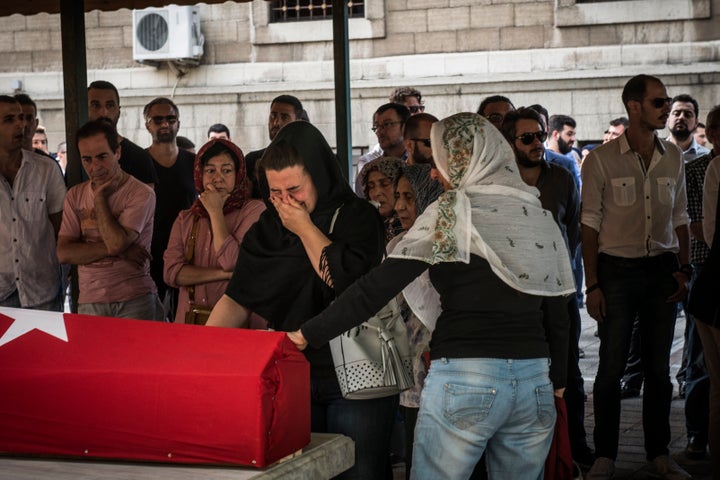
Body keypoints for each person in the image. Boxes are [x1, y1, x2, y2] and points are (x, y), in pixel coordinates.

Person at [288, 112, 575, 480]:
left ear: (463, 160)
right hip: (534, 381)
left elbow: (376, 287)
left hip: (466, 377)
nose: (435, 174)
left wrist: (306, 334)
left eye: (441, 162)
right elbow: (557, 308)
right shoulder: (535, 211)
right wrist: (559, 383)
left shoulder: (453, 212)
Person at [206, 121, 393, 480]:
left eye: (294, 189)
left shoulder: (358, 217)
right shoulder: (268, 225)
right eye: (274, 192)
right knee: (301, 472)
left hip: (357, 371)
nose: (286, 201)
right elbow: (238, 298)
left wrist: (304, 227)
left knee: (360, 471)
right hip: (294, 371)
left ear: (319, 176)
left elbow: (345, 286)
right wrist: (201, 351)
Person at [581, 74, 692, 480]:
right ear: (634, 106)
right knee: (610, 369)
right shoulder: (600, 160)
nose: (666, 108)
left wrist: (683, 267)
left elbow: (681, 217)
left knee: (659, 371)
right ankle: (605, 455)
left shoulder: (673, 157)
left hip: (662, 270)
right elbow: (588, 226)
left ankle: (658, 453)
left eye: (665, 101)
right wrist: (592, 284)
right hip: (617, 272)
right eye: (659, 102)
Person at [501, 107, 592, 471]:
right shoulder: (498, 182)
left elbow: (571, 230)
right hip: (513, 295)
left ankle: (575, 448)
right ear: (510, 143)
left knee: (568, 372)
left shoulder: (562, 177)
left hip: (558, 290)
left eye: (540, 135)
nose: (537, 143)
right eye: (527, 138)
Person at [56, 119, 161, 320]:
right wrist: (123, 252)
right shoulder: (75, 195)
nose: (95, 167)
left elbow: (116, 243)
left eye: (102, 156)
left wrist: (100, 199)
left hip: (135, 297)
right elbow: (64, 253)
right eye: (87, 159)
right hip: (90, 299)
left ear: (118, 153)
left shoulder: (141, 193)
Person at [163, 138, 264, 324]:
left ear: (239, 174)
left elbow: (232, 263)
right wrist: (223, 276)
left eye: (226, 170)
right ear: (199, 175)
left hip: (239, 326)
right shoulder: (186, 218)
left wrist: (215, 212)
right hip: (189, 323)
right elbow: (171, 273)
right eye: (210, 171)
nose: (218, 178)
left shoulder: (254, 211)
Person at [389, 163, 443, 479]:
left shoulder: (450, 244)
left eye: (408, 197)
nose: (398, 206)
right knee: (416, 457)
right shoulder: (398, 245)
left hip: (446, 370)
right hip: (411, 379)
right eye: (398, 196)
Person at [0, 95, 66, 311]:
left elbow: (62, 230)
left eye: (21, 117)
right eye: (9, 119)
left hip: (43, 293)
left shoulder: (46, 169)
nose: (21, 124)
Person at [144, 97, 197, 320]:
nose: (165, 124)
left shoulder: (194, 162)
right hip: (148, 253)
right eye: (158, 119)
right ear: (148, 124)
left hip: (187, 252)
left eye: (170, 118)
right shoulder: (139, 161)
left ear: (178, 123)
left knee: (182, 318)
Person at [87, 80, 158, 186]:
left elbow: (147, 200)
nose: (104, 113)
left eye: (110, 105)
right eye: (95, 105)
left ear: (118, 111)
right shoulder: (78, 156)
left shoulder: (139, 157)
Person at [244, 94, 304, 199]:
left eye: (284, 117)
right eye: (273, 116)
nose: (276, 122)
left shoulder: (307, 159)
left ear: (298, 122)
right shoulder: (252, 160)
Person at [354, 103, 411, 196]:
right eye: (376, 126)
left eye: (387, 124)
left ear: (405, 127)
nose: (380, 131)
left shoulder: (419, 164)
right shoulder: (367, 172)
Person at [360, 156, 404, 242]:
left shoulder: (409, 224)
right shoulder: (368, 224)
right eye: (371, 186)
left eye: (384, 184)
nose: (377, 193)